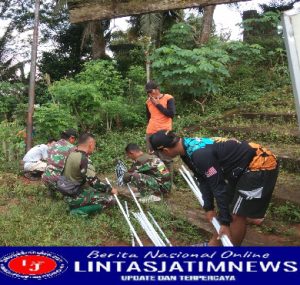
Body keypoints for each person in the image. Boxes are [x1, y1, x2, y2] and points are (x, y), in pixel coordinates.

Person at [149, 131, 279, 246]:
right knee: (229, 207)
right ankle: (217, 243)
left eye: (160, 153)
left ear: (165, 150)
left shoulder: (199, 154)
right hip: (241, 167)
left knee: (236, 215)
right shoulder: (186, 148)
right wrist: (208, 208)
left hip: (260, 164)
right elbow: (203, 178)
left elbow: (218, 187)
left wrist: (225, 223)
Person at [61, 133, 118, 216]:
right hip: (74, 195)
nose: (94, 148)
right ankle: (77, 211)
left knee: (94, 191)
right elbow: (94, 182)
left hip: (67, 193)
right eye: (94, 145)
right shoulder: (84, 159)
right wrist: (110, 189)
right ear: (90, 144)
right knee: (110, 199)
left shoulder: (71, 154)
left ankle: (73, 205)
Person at [145, 80, 176, 184]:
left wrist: (158, 105)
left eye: (151, 91)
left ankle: (169, 183)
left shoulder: (168, 98)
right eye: (147, 92)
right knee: (154, 158)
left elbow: (171, 114)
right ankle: (160, 182)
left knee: (166, 158)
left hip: (164, 132)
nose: (149, 94)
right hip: (151, 132)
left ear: (157, 89)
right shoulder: (148, 102)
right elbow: (149, 117)